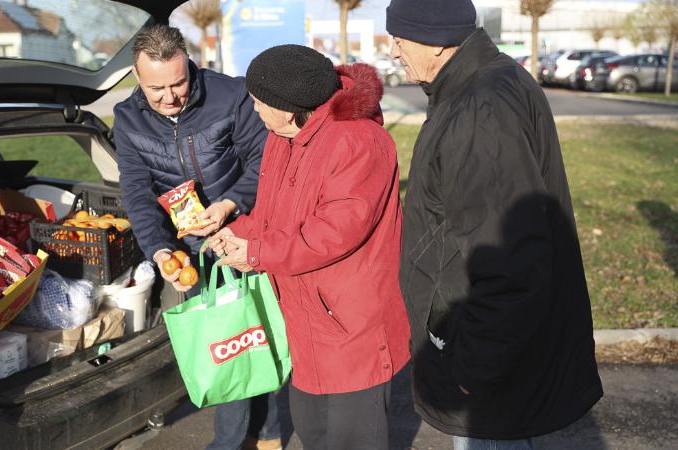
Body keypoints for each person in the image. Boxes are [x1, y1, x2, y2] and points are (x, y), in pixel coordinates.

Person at [385, 0, 604, 448]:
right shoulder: (480, 84)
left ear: (438, 43)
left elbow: (512, 261)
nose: (393, 51)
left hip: (478, 362)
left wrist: (472, 369)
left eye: (400, 40)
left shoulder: (479, 110)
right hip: (479, 346)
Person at [206, 45, 411, 450]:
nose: (254, 109)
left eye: (259, 101)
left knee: (354, 440)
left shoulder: (357, 142)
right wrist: (239, 232)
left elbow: (333, 232)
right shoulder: (285, 135)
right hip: (305, 319)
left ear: (287, 105)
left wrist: (257, 254)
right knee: (314, 433)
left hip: (351, 325)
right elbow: (273, 213)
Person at [113, 24, 281, 450]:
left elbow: (265, 161)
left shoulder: (231, 95)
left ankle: (265, 434)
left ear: (189, 63)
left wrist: (229, 206)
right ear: (137, 77)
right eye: (157, 89)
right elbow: (136, 192)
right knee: (226, 342)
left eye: (179, 82)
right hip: (192, 253)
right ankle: (243, 437)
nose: (170, 96)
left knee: (262, 334)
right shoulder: (128, 118)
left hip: (247, 235)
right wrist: (161, 250)